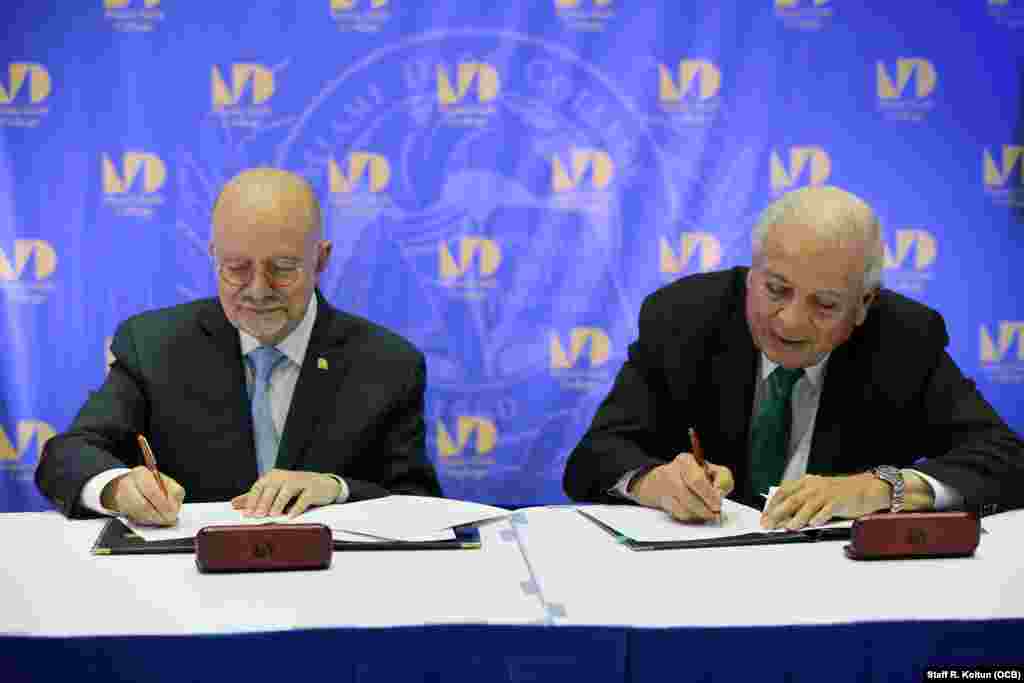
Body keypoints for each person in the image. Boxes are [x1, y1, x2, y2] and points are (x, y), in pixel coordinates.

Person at [563, 185, 1024, 529]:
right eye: (776, 290)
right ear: (751, 273)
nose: (790, 322)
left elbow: (1006, 460)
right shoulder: (682, 318)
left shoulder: (904, 339)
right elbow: (593, 458)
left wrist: (883, 488)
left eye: (824, 305)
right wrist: (652, 481)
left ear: (864, 304)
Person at [36, 168, 442, 525]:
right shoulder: (154, 345)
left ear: (321, 260)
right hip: (187, 589)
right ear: (213, 256)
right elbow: (68, 454)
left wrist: (335, 489)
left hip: (332, 587)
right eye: (237, 268)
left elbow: (419, 504)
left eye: (283, 269)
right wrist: (118, 487)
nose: (258, 290)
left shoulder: (388, 364)